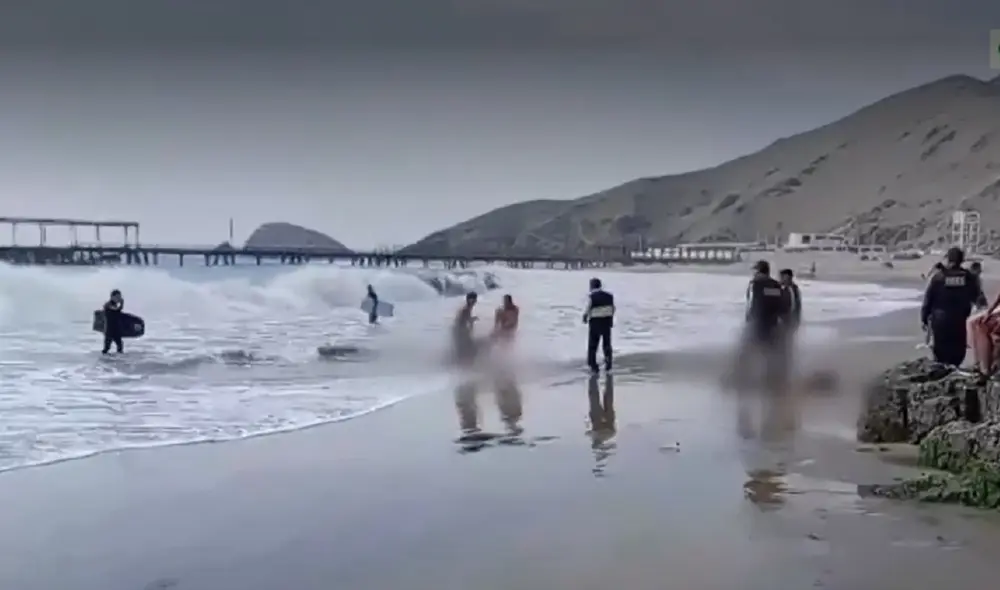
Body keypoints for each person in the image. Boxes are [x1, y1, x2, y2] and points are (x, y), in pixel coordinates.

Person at [733, 260, 791, 388]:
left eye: (756, 271)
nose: (754, 274)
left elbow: (753, 304)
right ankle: (772, 379)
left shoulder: (756, 284)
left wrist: (750, 320)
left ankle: (740, 378)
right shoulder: (776, 285)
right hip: (772, 324)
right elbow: (782, 305)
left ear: (760, 271)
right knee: (771, 353)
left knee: (746, 351)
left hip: (758, 323)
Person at [921, 247, 981, 367]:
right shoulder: (968, 278)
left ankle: (943, 370)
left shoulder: (938, 277)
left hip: (940, 321)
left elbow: (928, 300)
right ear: (962, 260)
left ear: (948, 259)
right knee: (957, 352)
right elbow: (978, 298)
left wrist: (924, 319)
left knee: (940, 354)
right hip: (959, 321)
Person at [582, 277, 615, 373]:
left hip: (595, 322)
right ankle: (608, 364)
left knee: (593, 345)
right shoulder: (609, 296)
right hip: (606, 322)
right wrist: (611, 321)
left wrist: (585, 317)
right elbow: (612, 309)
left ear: (592, 286)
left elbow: (588, 307)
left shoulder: (592, 296)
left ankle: (593, 366)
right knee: (607, 344)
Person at [452, 292, 480, 366]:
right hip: (460, 331)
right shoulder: (466, 309)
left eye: (475, 300)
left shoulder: (467, 308)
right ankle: (464, 366)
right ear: (470, 300)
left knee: (468, 349)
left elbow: (464, 320)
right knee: (468, 350)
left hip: (460, 331)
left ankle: (464, 365)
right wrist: (471, 321)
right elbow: (462, 320)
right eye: (474, 300)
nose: (475, 302)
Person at [102, 289, 125, 354]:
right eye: (117, 297)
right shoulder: (108, 304)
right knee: (106, 348)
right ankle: (103, 362)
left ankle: (118, 362)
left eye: (119, 297)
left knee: (120, 346)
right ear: (112, 297)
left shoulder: (115, 304)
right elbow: (115, 309)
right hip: (109, 330)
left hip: (116, 329)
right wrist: (122, 304)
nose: (119, 298)